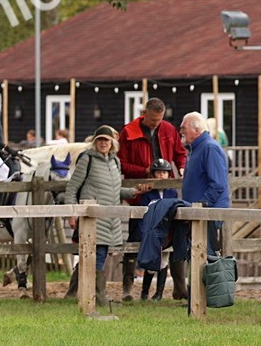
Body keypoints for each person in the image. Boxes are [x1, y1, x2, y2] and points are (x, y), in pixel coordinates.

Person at [64, 125, 151, 307]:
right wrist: (71, 213)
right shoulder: (87, 159)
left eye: (107, 140)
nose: (103, 143)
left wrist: (133, 192)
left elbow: (114, 190)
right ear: (95, 142)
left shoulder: (115, 162)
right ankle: (99, 297)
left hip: (110, 218)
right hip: (92, 216)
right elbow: (72, 187)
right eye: (100, 140)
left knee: (94, 255)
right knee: (98, 255)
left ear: (112, 143)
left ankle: (76, 294)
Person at [117, 98, 186, 301]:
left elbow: (180, 153)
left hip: (166, 191)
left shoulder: (169, 130)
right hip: (140, 194)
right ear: (144, 113)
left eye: (160, 119)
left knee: (172, 239)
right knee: (135, 239)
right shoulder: (129, 132)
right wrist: (143, 173)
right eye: (153, 119)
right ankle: (128, 287)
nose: (156, 123)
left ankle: (179, 288)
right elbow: (121, 163)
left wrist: (181, 168)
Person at [180, 111, 230, 256]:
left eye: (184, 127)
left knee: (207, 258)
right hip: (198, 213)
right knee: (196, 257)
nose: (181, 131)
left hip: (208, 214)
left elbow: (218, 184)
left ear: (196, 130)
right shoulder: (196, 149)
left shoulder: (209, 148)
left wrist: (201, 205)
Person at [139, 158, 177, 301]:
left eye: (164, 173)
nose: (161, 175)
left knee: (163, 261)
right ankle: (144, 292)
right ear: (153, 174)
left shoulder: (172, 192)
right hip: (151, 230)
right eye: (158, 172)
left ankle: (159, 293)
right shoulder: (148, 193)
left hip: (166, 231)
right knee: (150, 261)